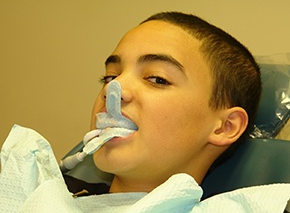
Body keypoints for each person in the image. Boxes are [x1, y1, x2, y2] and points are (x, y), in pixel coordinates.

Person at [69, 11, 261, 195]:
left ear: (225, 127)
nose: (113, 89)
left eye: (157, 79)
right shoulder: (49, 192)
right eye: (110, 76)